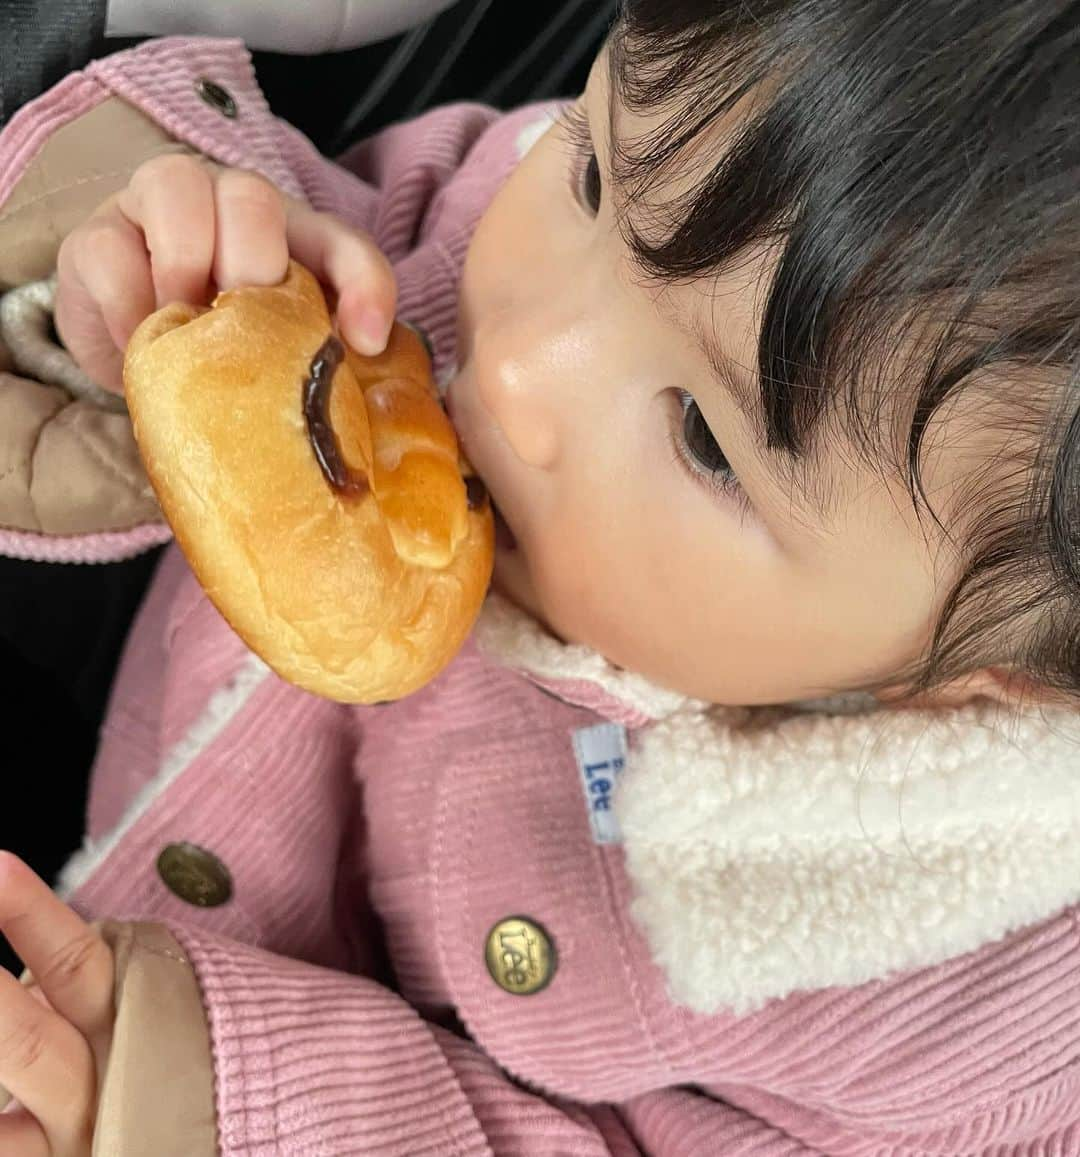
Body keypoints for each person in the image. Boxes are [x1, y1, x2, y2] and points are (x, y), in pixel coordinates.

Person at [1, 0, 1079, 1151]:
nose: (514, 362)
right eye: (593, 183)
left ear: (994, 682)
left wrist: (214, 1105)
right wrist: (149, 272)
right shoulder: (587, 216)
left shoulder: (943, 999)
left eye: (705, 437)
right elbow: (305, 233)